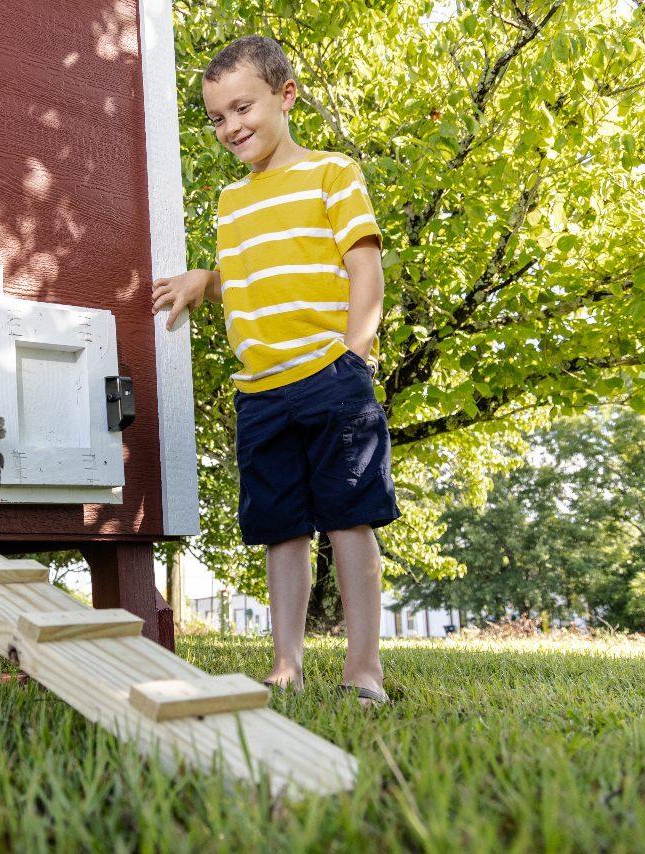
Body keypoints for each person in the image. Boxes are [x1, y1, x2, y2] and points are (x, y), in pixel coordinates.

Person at [151, 36, 400, 706]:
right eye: (217, 117)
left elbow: (364, 266)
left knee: (350, 518)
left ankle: (362, 669)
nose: (231, 127)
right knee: (279, 526)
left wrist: (356, 352)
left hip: (330, 374)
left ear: (285, 95)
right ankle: (285, 664)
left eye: (242, 107)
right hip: (259, 391)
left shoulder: (331, 173)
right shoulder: (231, 202)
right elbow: (248, 279)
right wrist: (207, 279)